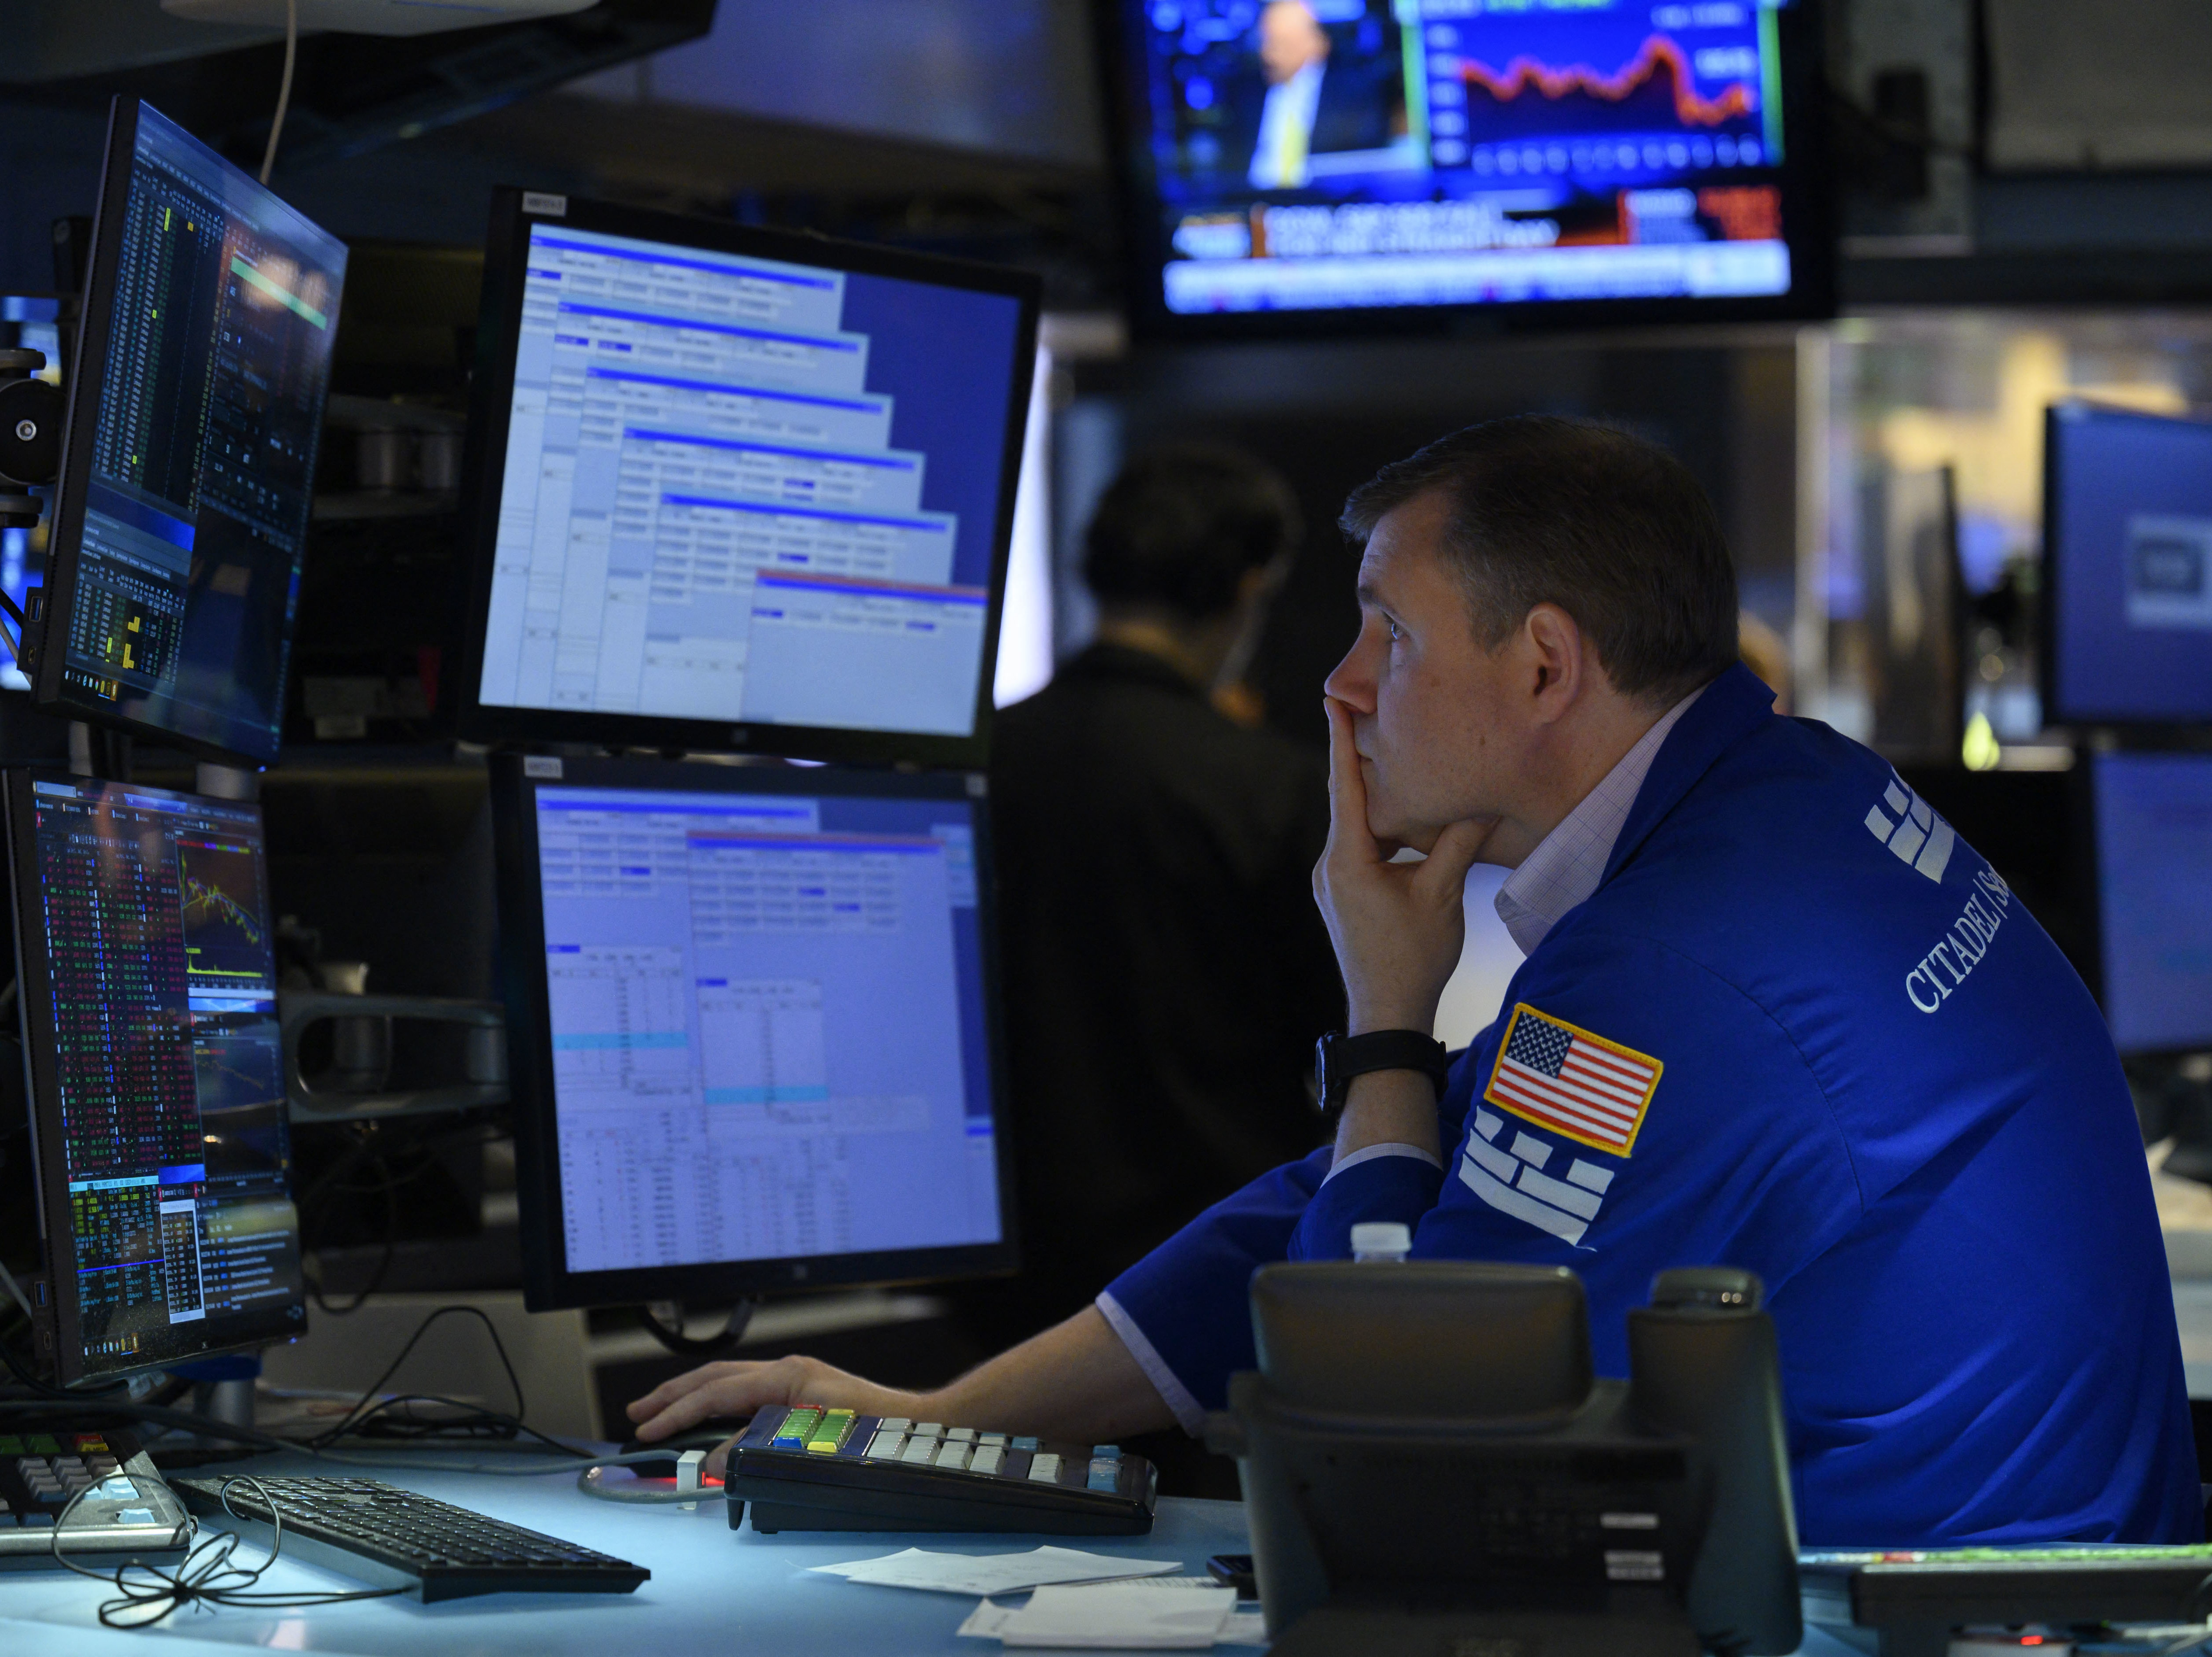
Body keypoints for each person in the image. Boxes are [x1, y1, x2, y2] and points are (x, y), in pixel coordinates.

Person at [628, 417, 2199, 1546]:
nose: (1339, 684)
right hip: (2008, 1566)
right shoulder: (1788, 797)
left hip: (1906, 1602)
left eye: (1385, 629)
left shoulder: (1669, 959)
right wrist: (932, 1416)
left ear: (1540, 667)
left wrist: (1384, 1011)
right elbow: (1390, 1180)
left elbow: (1374, 1419)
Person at [952, 446, 1341, 1352]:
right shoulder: (1271, 789)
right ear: (1248, 589)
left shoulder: (972, 765)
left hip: (993, 1280)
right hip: (1201, 1276)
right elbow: (1338, 1038)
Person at [1237, 0, 1397, 189]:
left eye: (1282, 45)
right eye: (1266, 43)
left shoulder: (1354, 96)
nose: (1269, 56)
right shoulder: (1246, 96)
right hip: (1252, 206)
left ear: (1318, 43)